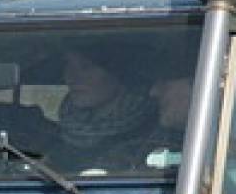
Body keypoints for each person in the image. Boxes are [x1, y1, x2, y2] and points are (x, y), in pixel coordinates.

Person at [50, 46, 160, 174]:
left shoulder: (152, 130)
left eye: (86, 67)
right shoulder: (56, 134)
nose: (71, 77)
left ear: (118, 73)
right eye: (67, 65)